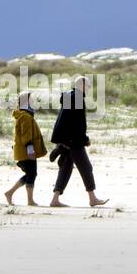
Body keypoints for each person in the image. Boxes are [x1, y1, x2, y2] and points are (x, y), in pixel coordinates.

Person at [49, 76, 108, 208]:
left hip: (67, 140)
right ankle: (92, 199)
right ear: (81, 85)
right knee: (86, 168)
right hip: (73, 141)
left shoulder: (70, 96)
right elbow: (78, 124)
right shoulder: (77, 98)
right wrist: (84, 139)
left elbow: (65, 120)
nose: (88, 88)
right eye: (87, 86)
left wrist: (61, 141)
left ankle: (55, 200)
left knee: (65, 169)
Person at [4, 91, 47, 206]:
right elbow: (26, 134)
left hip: (24, 150)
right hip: (26, 150)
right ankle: (29, 200)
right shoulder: (25, 116)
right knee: (32, 173)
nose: (32, 101)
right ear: (26, 102)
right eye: (30, 99)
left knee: (30, 174)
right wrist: (29, 148)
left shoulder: (25, 115)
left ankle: (10, 193)